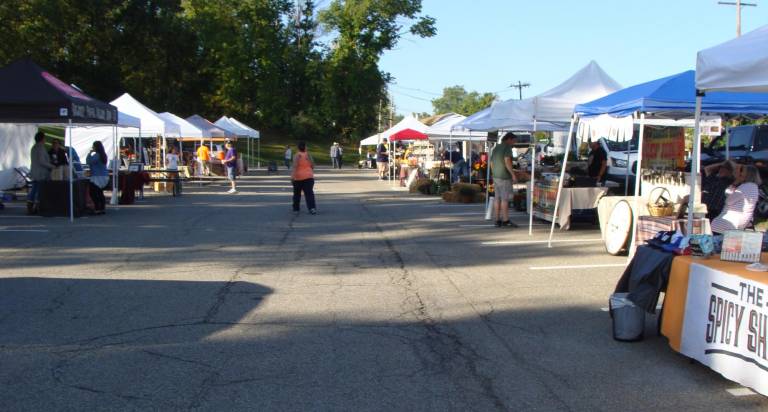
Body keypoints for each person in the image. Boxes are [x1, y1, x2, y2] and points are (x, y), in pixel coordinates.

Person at [711, 164, 761, 234]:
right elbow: (728, 193)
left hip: (726, 223)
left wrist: (735, 183)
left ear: (748, 174)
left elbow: (728, 200)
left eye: (741, 171)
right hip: (733, 223)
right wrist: (735, 184)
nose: (739, 173)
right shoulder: (752, 187)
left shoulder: (746, 186)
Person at [490, 132, 519, 228]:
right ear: (509, 139)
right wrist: (513, 174)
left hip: (496, 176)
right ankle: (506, 220)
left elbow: (491, 163)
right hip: (504, 176)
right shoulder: (507, 147)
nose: (514, 143)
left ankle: (497, 220)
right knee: (504, 199)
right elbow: (507, 161)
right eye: (514, 141)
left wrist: (494, 172)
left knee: (497, 198)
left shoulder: (496, 148)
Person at [28, 131, 54, 214]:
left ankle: (31, 206)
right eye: (44, 138)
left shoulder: (34, 147)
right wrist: (52, 166)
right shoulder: (40, 148)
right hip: (40, 173)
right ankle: (36, 207)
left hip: (35, 172)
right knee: (38, 191)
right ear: (42, 139)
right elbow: (42, 161)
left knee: (34, 189)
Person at [291, 141, 316, 215]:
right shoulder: (308, 155)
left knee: (297, 194)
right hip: (308, 177)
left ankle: (296, 209)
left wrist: (292, 176)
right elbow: (313, 166)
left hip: (298, 177)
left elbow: (295, 166)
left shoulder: (296, 155)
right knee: (309, 194)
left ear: (298, 148)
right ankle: (312, 208)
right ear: (305, 147)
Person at [86, 141, 109, 215]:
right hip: (104, 176)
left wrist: (89, 153)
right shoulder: (103, 155)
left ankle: (97, 208)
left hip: (97, 176)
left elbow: (88, 162)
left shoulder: (97, 155)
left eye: (93, 146)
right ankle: (102, 208)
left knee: (93, 193)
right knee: (100, 192)